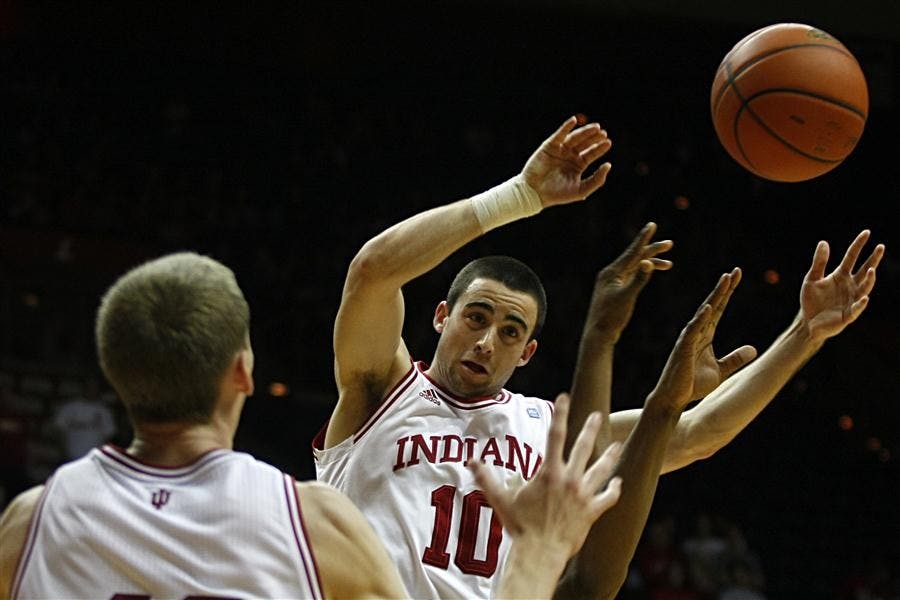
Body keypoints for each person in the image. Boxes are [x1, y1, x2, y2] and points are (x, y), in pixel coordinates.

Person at [0, 252, 625, 599]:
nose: (487, 342)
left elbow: (686, 432)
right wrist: (541, 555)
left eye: (509, 331)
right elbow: (373, 275)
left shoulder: (30, 520)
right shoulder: (298, 515)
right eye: (476, 317)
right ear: (245, 374)